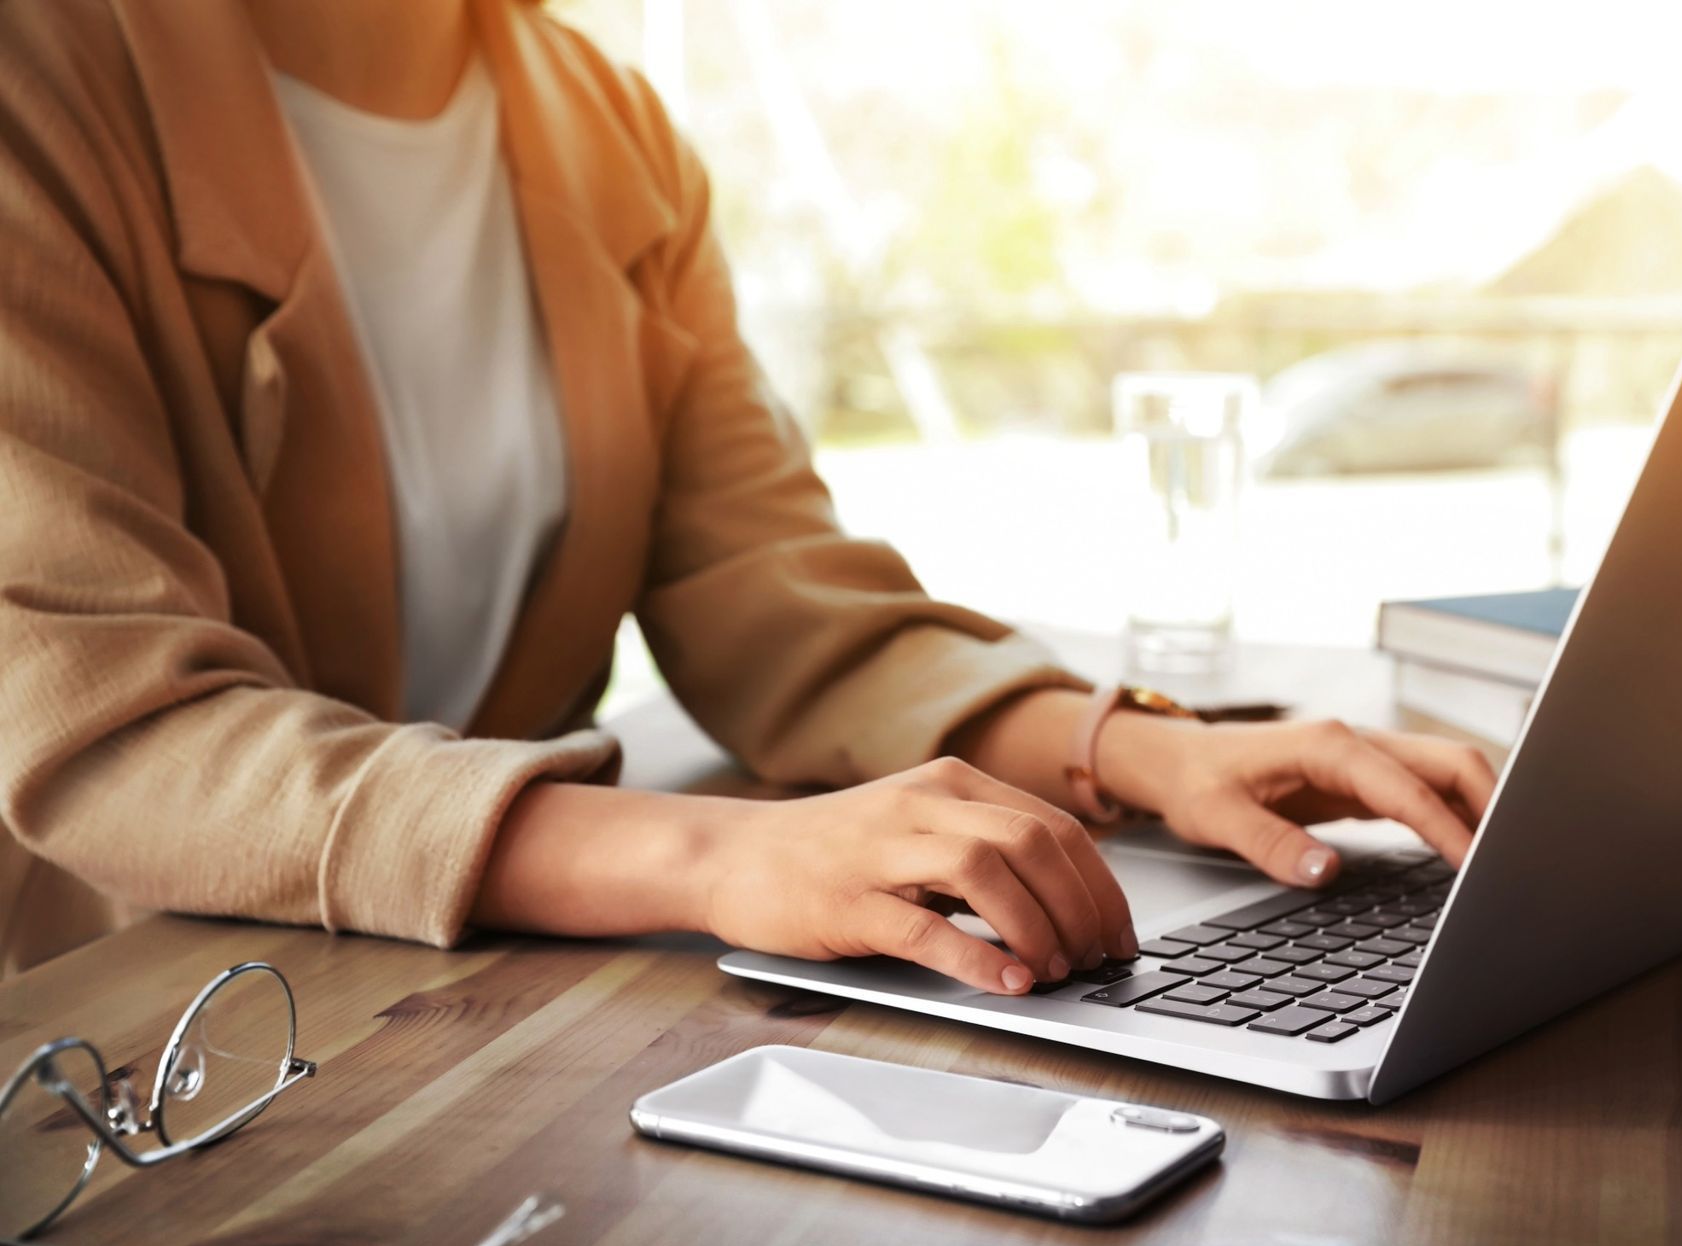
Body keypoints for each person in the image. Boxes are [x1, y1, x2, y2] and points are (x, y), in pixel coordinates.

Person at [0, 0, 1495, 986]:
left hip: (460, 996)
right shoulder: (43, 75)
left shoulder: (609, 125)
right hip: (140, 1030)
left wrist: (1136, 750)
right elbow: (117, 730)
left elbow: (769, 583)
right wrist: (717, 857)